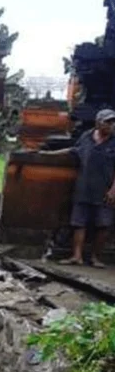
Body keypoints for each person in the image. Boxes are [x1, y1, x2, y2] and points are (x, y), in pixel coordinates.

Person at [42, 109, 115, 267]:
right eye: (108, 122)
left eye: (113, 122)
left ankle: (95, 257)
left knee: (103, 225)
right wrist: (47, 154)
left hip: (105, 190)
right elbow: (73, 151)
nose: (111, 125)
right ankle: (77, 256)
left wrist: (113, 190)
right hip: (83, 188)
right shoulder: (86, 137)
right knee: (78, 223)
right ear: (98, 123)